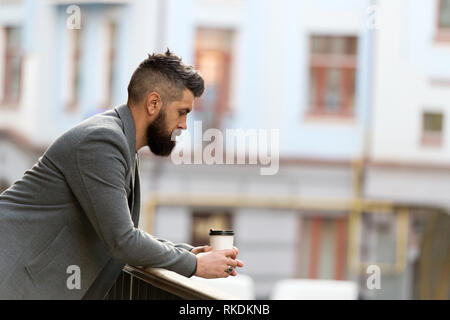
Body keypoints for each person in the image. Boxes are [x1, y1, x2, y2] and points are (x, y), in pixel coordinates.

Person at [0, 49, 244, 300]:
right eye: (181, 112)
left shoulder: (120, 141)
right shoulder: (102, 141)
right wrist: (195, 266)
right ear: (153, 103)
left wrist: (187, 253)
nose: (183, 124)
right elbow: (123, 240)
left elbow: (120, 229)